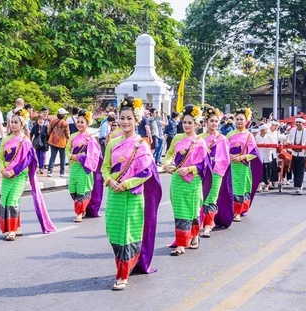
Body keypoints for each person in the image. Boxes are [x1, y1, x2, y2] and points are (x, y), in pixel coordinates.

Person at [102, 97, 161, 291]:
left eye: (129, 118)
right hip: (114, 194)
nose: (125, 122)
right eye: (122, 118)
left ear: (136, 120)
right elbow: (105, 167)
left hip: (132, 195)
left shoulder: (141, 144)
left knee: (128, 234)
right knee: (114, 232)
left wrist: (125, 184)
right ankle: (122, 267)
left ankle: (123, 274)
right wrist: (110, 181)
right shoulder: (113, 142)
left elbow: (146, 172)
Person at [0, 110, 56, 240]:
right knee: (5, 200)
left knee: (13, 199)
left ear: (22, 124)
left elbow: (26, 160)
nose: (13, 125)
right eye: (11, 122)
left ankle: (12, 230)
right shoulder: (6, 139)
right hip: (5, 174)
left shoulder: (25, 141)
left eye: (16, 122)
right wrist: (2, 170)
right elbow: (0, 156)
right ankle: (16, 227)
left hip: (18, 175)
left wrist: (13, 171)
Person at [163, 105, 208, 256]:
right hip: (177, 180)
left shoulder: (200, 142)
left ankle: (194, 236)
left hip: (193, 182)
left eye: (190, 123)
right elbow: (169, 155)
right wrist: (167, 164)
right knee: (180, 212)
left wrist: (190, 169)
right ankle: (181, 244)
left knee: (193, 211)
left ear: (197, 124)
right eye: (184, 122)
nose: (187, 126)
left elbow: (205, 165)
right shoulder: (177, 138)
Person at [199, 106, 233, 238]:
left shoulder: (222, 139)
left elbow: (225, 158)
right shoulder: (200, 138)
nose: (214, 124)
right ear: (206, 122)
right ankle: (202, 223)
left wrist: (214, 165)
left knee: (212, 198)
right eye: (211, 121)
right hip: (202, 173)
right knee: (202, 198)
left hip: (216, 172)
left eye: (216, 121)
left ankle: (208, 225)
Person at [67, 110, 104, 222]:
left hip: (84, 168)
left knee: (82, 190)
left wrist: (82, 158)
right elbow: (67, 149)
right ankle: (81, 209)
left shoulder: (90, 138)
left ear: (87, 123)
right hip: (74, 167)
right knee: (72, 189)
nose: (79, 124)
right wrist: (71, 156)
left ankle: (79, 212)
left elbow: (94, 154)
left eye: (82, 122)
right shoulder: (73, 136)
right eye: (78, 122)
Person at [227, 108, 262, 222]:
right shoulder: (229, 134)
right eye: (237, 119)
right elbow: (223, 150)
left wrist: (241, 157)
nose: (239, 121)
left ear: (246, 120)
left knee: (240, 189)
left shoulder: (249, 136)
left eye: (241, 119)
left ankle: (238, 212)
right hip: (231, 166)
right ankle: (230, 210)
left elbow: (254, 153)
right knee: (229, 189)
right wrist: (229, 156)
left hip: (242, 167)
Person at [285, 118, 306, 195]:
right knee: (295, 170)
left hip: (303, 154)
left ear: (303, 124)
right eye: (296, 122)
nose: (298, 124)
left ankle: (299, 186)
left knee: (301, 170)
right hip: (294, 153)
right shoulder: (292, 130)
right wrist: (288, 143)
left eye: (299, 122)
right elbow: (289, 139)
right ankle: (297, 184)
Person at [47, 108, 71, 177]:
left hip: (53, 141)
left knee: (52, 156)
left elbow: (48, 131)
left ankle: (49, 171)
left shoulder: (53, 121)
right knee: (62, 157)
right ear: (63, 115)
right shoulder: (65, 123)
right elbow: (68, 134)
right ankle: (62, 172)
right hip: (62, 142)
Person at [256, 124, 278, 192]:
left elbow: (274, 145)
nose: (266, 130)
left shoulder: (269, 136)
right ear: (262, 130)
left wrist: (267, 146)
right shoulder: (257, 137)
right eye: (265, 129)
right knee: (259, 171)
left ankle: (267, 185)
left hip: (267, 155)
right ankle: (259, 186)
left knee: (267, 171)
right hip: (259, 155)